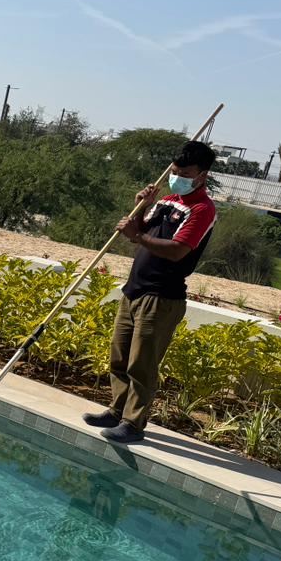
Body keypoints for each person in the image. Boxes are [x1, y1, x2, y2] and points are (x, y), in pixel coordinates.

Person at [84, 140, 218, 443]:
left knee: (142, 364)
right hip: (135, 290)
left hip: (162, 296)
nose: (177, 177)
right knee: (119, 357)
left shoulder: (202, 210)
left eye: (185, 173)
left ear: (202, 176)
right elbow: (142, 227)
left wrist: (138, 235)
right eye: (174, 171)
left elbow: (177, 251)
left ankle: (133, 423)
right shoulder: (168, 200)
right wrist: (142, 206)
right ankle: (117, 410)